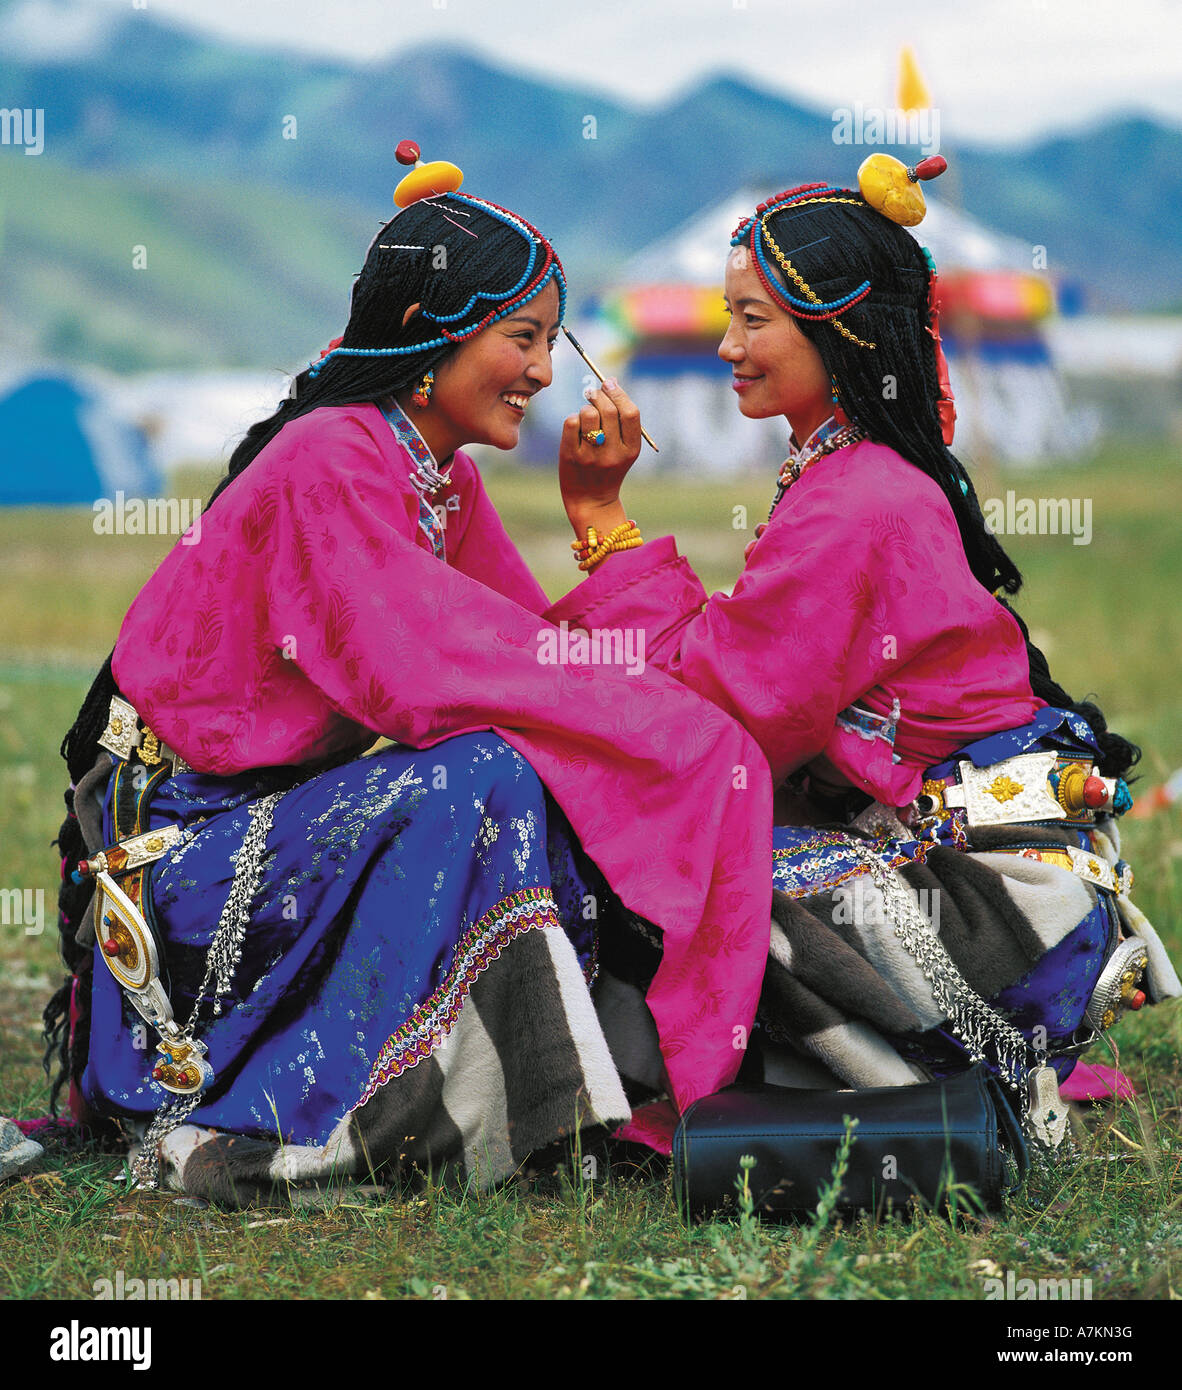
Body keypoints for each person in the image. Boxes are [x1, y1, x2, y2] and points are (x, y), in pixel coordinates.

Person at [41, 150, 774, 1204]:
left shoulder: (438, 479)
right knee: (485, 771)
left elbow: (531, 647)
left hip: (268, 819)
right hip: (184, 854)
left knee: (523, 757)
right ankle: (302, 1112)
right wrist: (668, 726)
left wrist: (597, 515)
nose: (540, 371)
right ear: (434, 328)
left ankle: (536, 1089)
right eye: (521, 338)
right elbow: (419, 671)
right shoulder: (330, 456)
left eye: (544, 341)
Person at [546, 159, 1180, 1135]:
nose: (727, 345)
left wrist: (601, 524)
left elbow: (727, 715)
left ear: (839, 326)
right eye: (730, 316)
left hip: (1002, 903)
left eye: (754, 319)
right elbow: (745, 668)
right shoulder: (856, 476)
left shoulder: (858, 499)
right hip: (1002, 856)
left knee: (700, 887)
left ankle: (945, 1062)